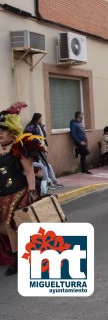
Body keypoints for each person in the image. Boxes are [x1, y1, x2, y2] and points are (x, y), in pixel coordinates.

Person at [0, 102, 44, 276]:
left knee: (10, 224)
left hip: (18, 192)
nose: (0, 133)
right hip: (1, 193)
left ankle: (17, 260)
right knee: (4, 226)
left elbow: (29, 172)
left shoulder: (20, 148)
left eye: (3, 130)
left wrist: (32, 192)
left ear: (12, 131)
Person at [25, 113, 63, 188]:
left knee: (47, 165)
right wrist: (36, 144)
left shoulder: (40, 126)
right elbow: (28, 137)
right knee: (43, 166)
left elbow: (43, 137)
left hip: (41, 149)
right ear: (37, 118)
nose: (41, 119)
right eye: (40, 118)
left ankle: (54, 181)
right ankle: (48, 182)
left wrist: (45, 145)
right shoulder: (30, 127)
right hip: (35, 151)